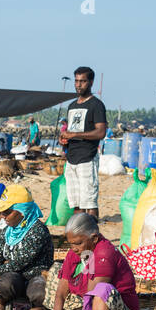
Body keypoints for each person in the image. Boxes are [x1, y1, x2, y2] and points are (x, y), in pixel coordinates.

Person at [46, 212, 141, 310]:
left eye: (78, 243)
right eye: (71, 244)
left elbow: (92, 296)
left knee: (101, 290)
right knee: (57, 271)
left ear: (94, 238)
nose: (74, 248)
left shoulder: (104, 253)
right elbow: (61, 292)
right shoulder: (82, 252)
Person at [60, 66, 108, 218]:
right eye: (76, 81)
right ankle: (79, 236)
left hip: (87, 158)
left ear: (91, 82)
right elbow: (71, 131)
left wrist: (74, 134)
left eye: (82, 81)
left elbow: (101, 132)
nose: (78, 85)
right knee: (76, 204)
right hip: (71, 159)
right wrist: (65, 140)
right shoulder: (72, 106)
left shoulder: (96, 105)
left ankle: (93, 238)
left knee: (90, 203)